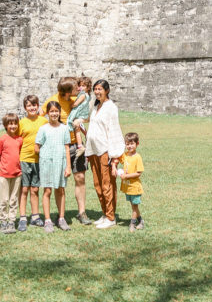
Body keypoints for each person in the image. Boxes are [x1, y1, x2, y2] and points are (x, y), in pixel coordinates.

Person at [44, 76, 91, 225]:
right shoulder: (52, 101)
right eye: (75, 87)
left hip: (75, 145)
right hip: (59, 147)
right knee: (59, 182)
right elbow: (40, 119)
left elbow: (87, 116)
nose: (78, 89)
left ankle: (82, 213)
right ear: (66, 92)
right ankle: (61, 215)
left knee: (80, 178)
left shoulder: (77, 99)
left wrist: (82, 120)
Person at [85, 79, 125, 229]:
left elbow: (114, 130)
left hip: (105, 151)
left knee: (107, 185)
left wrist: (114, 156)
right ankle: (105, 213)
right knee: (98, 184)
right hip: (94, 150)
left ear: (107, 90)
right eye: (95, 89)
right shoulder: (96, 107)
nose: (97, 92)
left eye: (100, 89)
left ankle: (110, 216)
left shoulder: (111, 107)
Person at [35, 100, 71, 232]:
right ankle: (48, 220)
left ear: (59, 112)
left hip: (60, 163)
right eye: (52, 111)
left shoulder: (64, 128)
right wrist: (46, 154)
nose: (54, 114)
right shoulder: (43, 128)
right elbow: (37, 147)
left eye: (56, 111)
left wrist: (68, 166)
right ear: (48, 113)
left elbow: (67, 147)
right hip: (47, 163)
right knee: (47, 190)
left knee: (60, 190)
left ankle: (61, 218)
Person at [18, 94, 46, 231]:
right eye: (29, 105)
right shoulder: (22, 123)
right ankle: (23, 217)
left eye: (34, 105)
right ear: (25, 108)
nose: (32, 108)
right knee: (24, 189)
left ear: (38, 106)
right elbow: (17, 140)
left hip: (38, 160)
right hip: (24, 159)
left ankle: (35, 216)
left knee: (35, 189)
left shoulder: (43, 121)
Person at [0, 113, 23, 234]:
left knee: (13, 199)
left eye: (15, 123)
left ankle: (11, 221)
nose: (13, 126)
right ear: (6, 125)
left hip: (17, 174)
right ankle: (3, 221)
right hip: (4, 175)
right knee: (4, 200)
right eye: (10, 124)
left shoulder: (19, 140)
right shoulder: (2, 140)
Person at [115, 132, 145, 231]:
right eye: (127, 144)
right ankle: (141, 221)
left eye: (132, 144)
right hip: (128, 187)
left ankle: (132, 224)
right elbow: (118, 158)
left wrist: (126, 176)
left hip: (135, 187)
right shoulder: (126, 155)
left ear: (137, 144)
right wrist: (114, 166)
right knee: (133, 206)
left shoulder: (137, 157)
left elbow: (138, 173)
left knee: (134, 206)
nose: (129, 146)